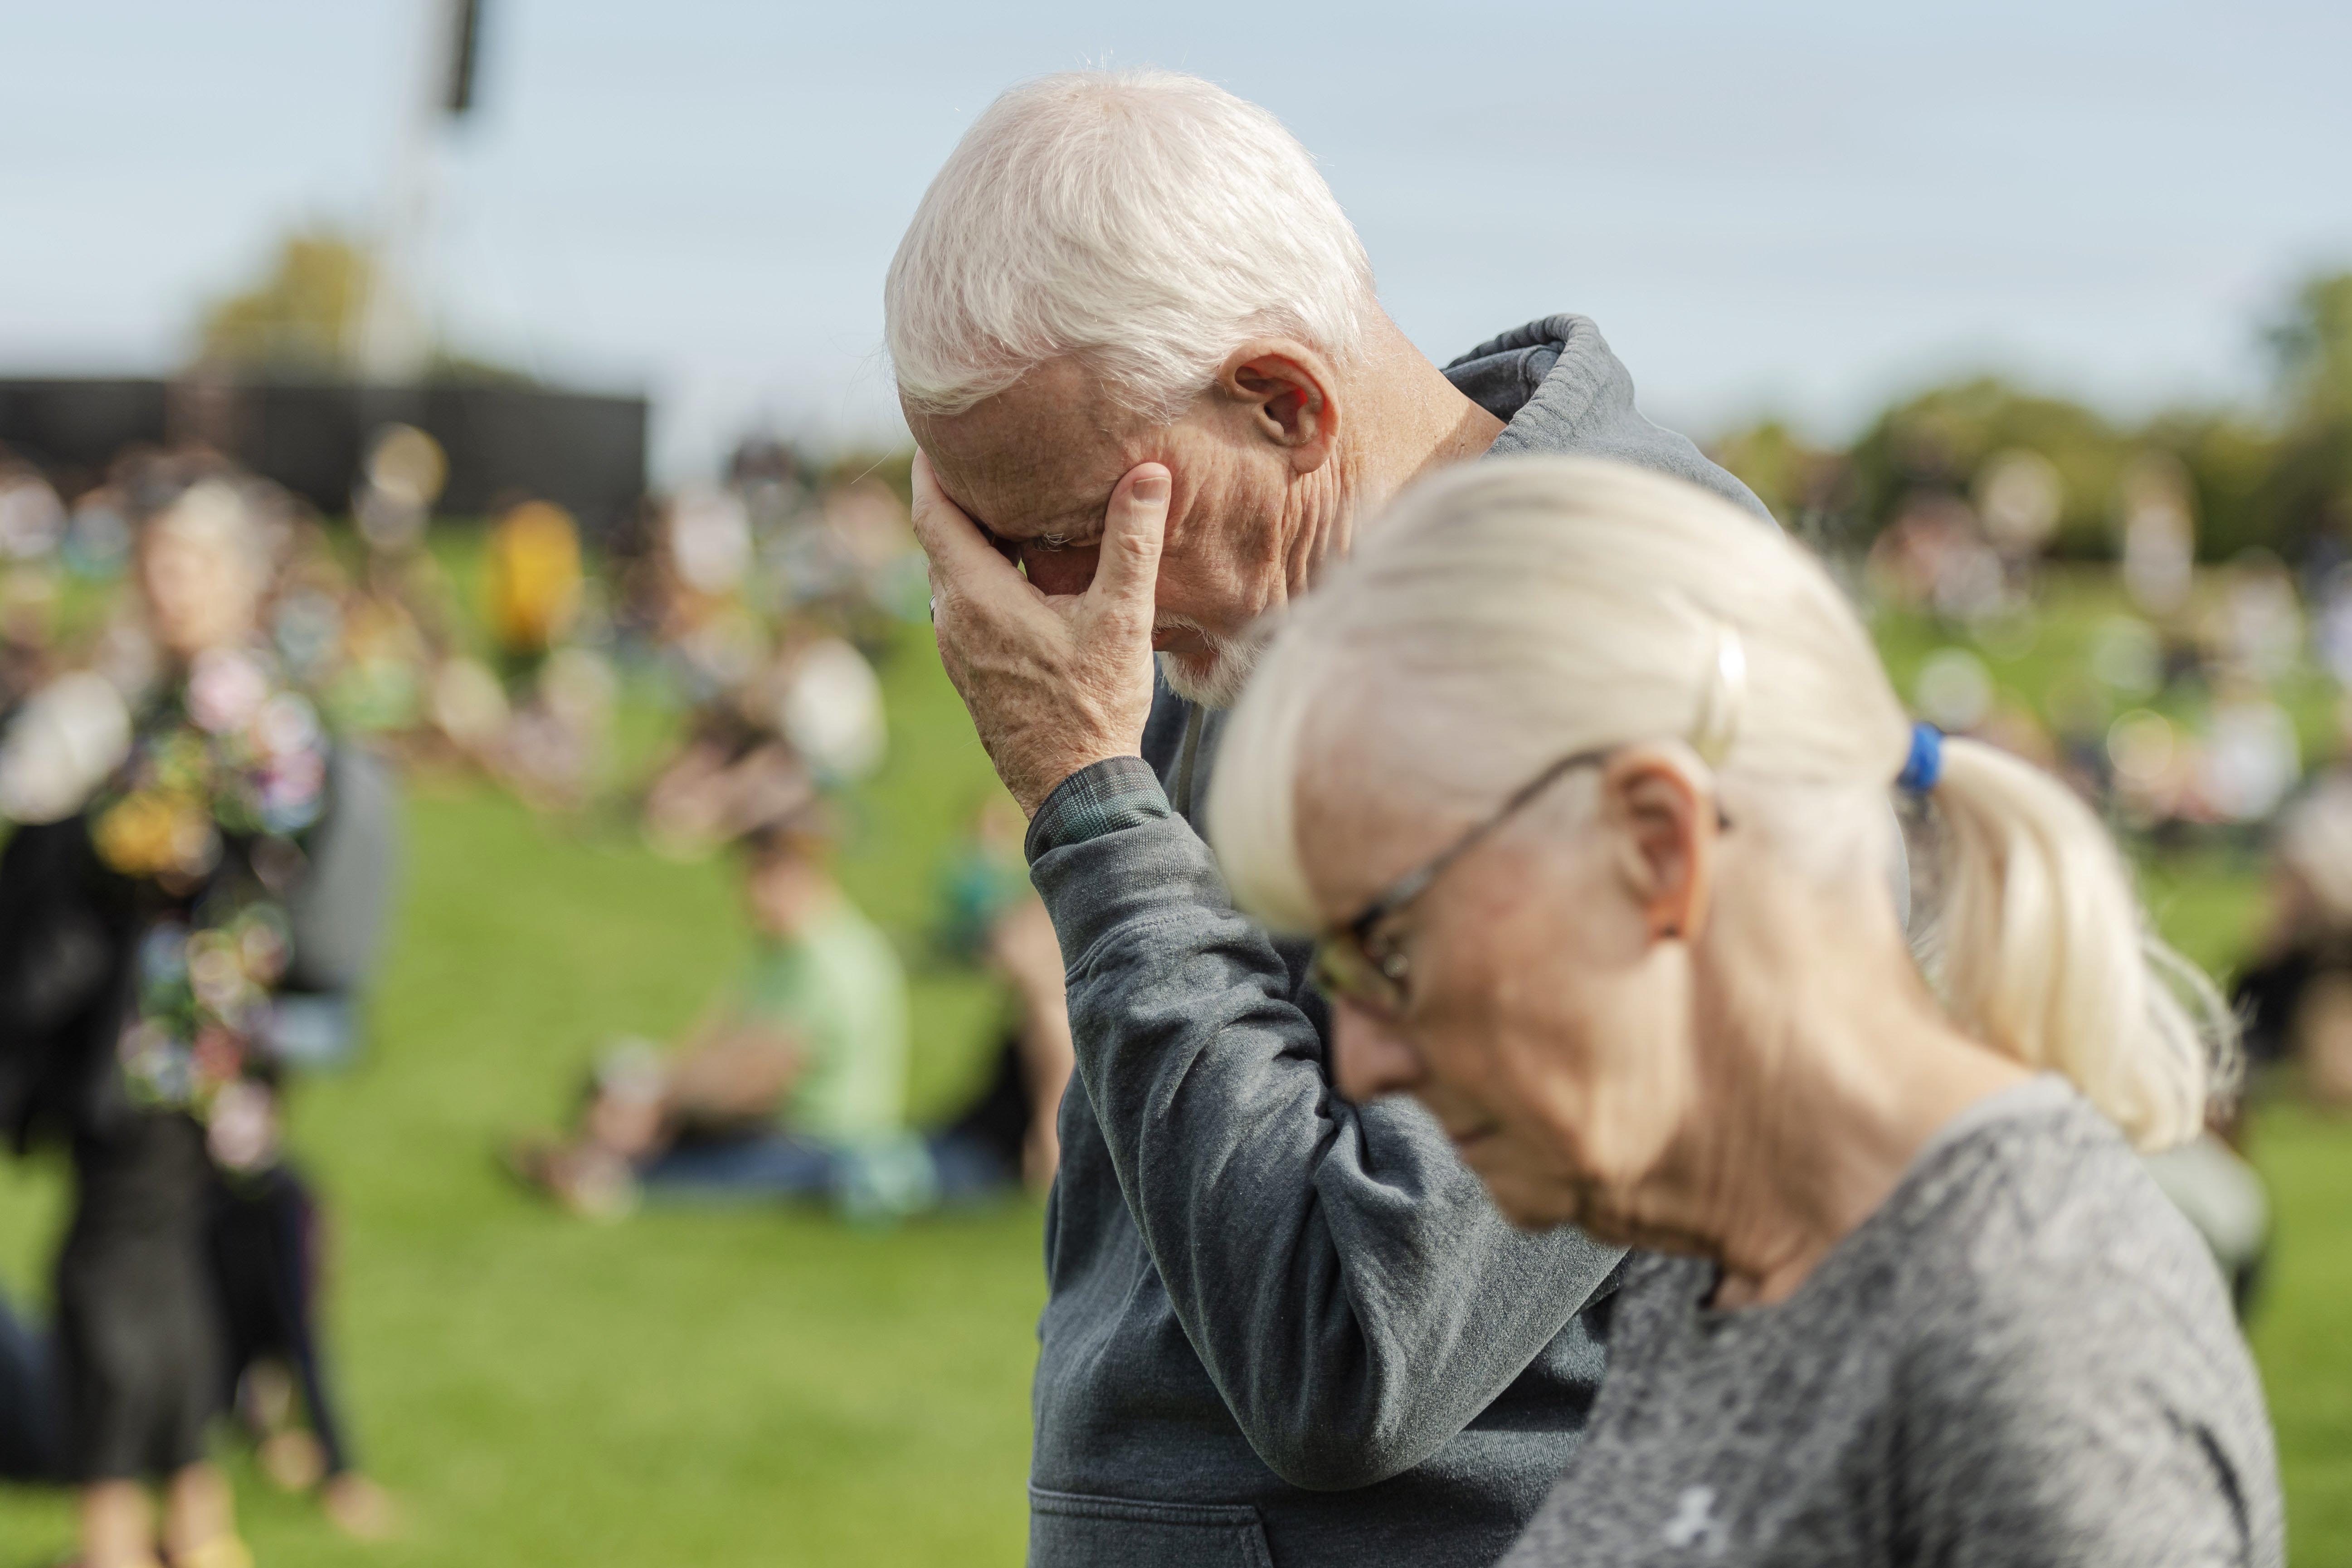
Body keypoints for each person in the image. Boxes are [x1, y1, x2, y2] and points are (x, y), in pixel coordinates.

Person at [887, 68, 1768, 1566]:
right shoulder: (1276, 609)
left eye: (1065, 536)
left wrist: (1092, 805)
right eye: (985, 545)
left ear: (1283, 401)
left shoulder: (1611, 645)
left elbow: (1357, 1344)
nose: (1042, 613)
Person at [1203, 456, 2283, 1567]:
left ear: (1658, 847)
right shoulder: (1720, 1255)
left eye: (1389, 950)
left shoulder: (2042, 1335)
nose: (1366, 1061)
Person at [513, 811, 935, 1223]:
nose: (747, 897)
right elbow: (721, 1032)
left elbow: (758, 1084)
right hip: (776, 1124)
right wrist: (656, 1087)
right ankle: (593, 1156)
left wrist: (662, 1108)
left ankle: (599, 1178)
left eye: (758, 878)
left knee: (670, 1171)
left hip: (821, 1146)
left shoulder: (829, 964)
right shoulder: (784, 949)